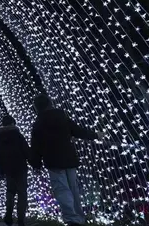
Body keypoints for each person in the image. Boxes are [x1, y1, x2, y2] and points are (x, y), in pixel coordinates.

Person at [30, 95, 101, 226]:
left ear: (37, 107)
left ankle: (71, 219)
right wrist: (95, 135)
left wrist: (36, 163)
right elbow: (78, 131)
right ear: (50, 104)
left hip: (53, 160)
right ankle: (79, 218)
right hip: (69, 158)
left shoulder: (38, 124)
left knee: (61, 189)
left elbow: (35, 146)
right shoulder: (62, 117)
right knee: (73, 188)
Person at [0, 115, 30, 226]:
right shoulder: (18, 136)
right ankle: (21, 218)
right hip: (20, 168)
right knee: (22, 193)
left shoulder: (0, 138)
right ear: (12, 123)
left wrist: (1, 171)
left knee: (10, 192)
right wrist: (34, 162)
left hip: (8, 170)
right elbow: (26, 150)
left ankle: (8, 214)